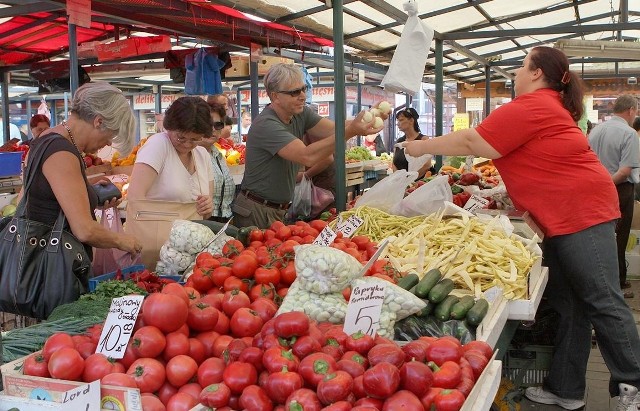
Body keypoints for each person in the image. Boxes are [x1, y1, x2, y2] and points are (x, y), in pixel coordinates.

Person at [404, 46, 640, 410]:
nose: (514, 73)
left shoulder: (535, 105)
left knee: (602, 300)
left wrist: (421, 146)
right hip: (560, 217)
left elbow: (472, 141)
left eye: (520, 66)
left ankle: (633, 387)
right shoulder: (545, 106)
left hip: (581, 213)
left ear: (535, 73)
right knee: (570, 303)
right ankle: (568, 388)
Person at [233, 63, 383, 229]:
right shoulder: (266, 124)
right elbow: (307, 155)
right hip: (256, 209)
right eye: (294, 92)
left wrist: (365, 119)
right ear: (275, 96)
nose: (303, 96)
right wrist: (351, 131)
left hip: (277, 208)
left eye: (303, 89)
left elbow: (333, 128)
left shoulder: (300, 113)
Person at [26, 81, 141, 261]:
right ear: (98, 121)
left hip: (39, 256)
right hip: (52, 267)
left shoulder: (45, 138)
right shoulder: (61, 152)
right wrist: (124, 240)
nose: (109, 143)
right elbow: (84, 230)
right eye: (111, 134)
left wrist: (88, 192)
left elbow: (44, 197)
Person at [588, 95, 640, 299]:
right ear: (630, 110)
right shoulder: (628, 133)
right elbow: (625, 171)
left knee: (597, 234)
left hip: (593, 190)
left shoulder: (595, 131)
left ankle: (596, 280)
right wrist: (606, 184)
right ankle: (616, 282)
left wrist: (597, 185)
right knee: (618, 237)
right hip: (618, 190)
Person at [127, 96, 214, 217]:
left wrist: (207, 206)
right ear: (169, 127)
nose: (187, 144)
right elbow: (135, 198)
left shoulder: (203, 155)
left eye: (195, 139)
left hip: (192, 232)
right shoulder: (157, 145)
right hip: (158, 234)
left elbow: (207, 213)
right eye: (181, 137)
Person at [198, 102, 236, 223]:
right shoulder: (191, 155)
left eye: (218, 124)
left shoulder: (218, 155)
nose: (212, 129)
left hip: (225, 221)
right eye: (207, 124)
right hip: (202, 223)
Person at [393, 108, 432, 179]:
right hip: (401, 184)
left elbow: (427, 165)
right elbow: (394, 163)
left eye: (401, 120)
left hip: (419, 185)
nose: (398, 123)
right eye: (397, 120)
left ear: (411, 121)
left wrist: (411, 180)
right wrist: (399, 180)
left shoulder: (423, 139)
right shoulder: (399, 142)